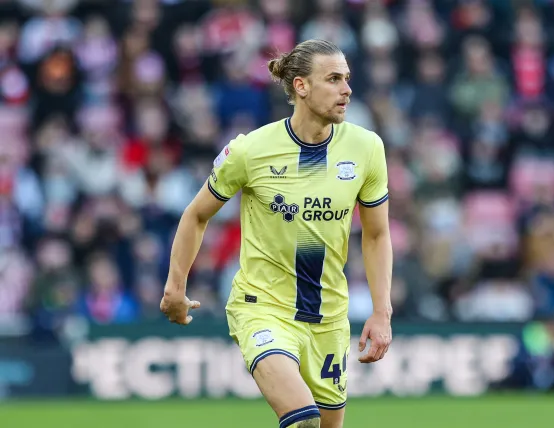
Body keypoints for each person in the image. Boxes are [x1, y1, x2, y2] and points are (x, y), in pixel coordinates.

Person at [159, 39, 393, 428]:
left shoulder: (366, 148)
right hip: (262, 307)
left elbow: (377, 235)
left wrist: (382, 312)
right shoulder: (250, 151)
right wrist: (175, 288)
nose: (347, 89)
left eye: (347, 79)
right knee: (304, 420)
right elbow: (196, 215)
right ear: (301, 86)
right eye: (334, 79)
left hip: (328, 316)